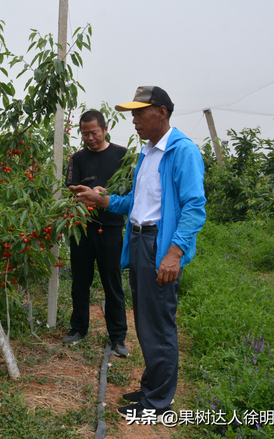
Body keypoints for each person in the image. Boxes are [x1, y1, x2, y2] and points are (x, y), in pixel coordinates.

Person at [70, 86, 206, 419]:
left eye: (139, 113)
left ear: (160, 112)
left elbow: (194, 206)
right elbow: (136, 203)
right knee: (146, 323)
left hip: (159, 244)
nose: (133, 120)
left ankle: (159, 402)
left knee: (159, 324)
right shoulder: (147, 153)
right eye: (132, 114)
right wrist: (103, 200)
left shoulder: (182, 151)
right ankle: (152, 389)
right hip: (140, 240)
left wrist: (174, 253)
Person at [62, 110, 129, 358]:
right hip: (82, 229)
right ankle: (78, 328)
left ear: (105, 128)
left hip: (111, 229)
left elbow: (129, 189)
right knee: (80, 281)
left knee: (113, 284)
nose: (89, 137)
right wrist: (86, 191)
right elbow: (71, 187)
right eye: (84, 133)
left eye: (94, 132)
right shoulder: (77, 159)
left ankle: (118, 337)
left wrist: (103, 195)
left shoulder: (122, 155)